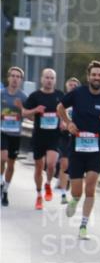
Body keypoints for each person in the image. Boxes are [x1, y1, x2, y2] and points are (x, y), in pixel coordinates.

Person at [56, 60, 100, 239]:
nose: (96, 77)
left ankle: (83, 226)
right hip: (76, 147)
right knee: (77, 190)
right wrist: (68, 123)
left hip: (95, 147)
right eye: (93, 74)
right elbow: (60, 107)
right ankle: (75, 200)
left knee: (91, 188)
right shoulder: (78, 93)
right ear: (88, 76)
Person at [23, 68, 64, 210]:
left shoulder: (60, 95)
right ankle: (39, 195)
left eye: (52, 78)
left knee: (51, 164)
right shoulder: (35, 96)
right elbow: (24, 112)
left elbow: (67, 112)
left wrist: (64, 122)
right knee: (39, 167)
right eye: (46, 77)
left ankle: (48, 183)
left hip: (54, 137)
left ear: (55, 80)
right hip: (39, 136)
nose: (49, 80)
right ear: (42, 79)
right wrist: (35, 111)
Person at [1, 66, 27, 207]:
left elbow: (30, 115)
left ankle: (5, 190)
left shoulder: (23, 97)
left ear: (21, 80)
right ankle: (0, 180)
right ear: (8, 77)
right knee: (2, 158)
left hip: (15, 134)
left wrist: (22, 108)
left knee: (11, 165)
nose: (15, 79)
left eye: (18, 77)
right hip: (2, 131)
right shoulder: (1, 94)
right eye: (13, 76)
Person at [56, 77, 81, 204]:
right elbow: (58, 115)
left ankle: (72, 188)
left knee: (75, 166)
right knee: (64, 164)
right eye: (70, 85)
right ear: (66, 87)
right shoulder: (63, 102)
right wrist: (63, 123)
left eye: (75, 85)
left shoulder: (82, 101)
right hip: (65, 136)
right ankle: (63, 194)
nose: (72, 87)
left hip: (78, 137)